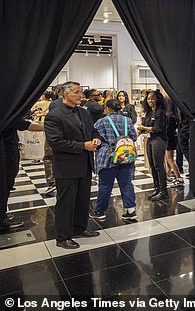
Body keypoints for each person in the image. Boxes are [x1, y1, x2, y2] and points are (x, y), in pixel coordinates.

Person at [44, 81, 101, 249]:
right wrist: (82, 146)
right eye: (76, 92)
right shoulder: (54, 115)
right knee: (66, 202)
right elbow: (56, 142)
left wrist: (97, 138)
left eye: (81, 92)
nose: (81, 96)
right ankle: (63, 237)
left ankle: (79, 228)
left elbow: (93, 131)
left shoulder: (84, 113)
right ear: (64, 93)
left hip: (85, 164)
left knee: (83, 199)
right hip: (67, 166)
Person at [90, 99, 138, 221]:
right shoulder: (127, 120)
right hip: (126, 156)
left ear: (107, 108)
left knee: (105, 185)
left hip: (108, 157)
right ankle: (131, 211)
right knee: (126, 183)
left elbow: (94, 136)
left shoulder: (101, 122)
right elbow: (134, 137)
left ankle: (100, 211)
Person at [1, 119, 44, 231]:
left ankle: (2, 213)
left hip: (8, 147)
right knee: (5, 183)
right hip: (7, 150)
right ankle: (2, 220)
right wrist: (50, 126)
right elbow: (25, 125)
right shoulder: (7, 113)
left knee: (6, 184)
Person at [137, 90, 169, 201]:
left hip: (159, 140)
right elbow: (143, 126)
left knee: (159, 166)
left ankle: (163, 191)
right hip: (150, 140)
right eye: (148, 98)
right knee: (152, 166)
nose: (150, 100)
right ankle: (156, 188)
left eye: (152, 98)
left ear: (158, 99)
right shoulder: (149, 113)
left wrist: (143, 128)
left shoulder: (160, 112)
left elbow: (157, 128)